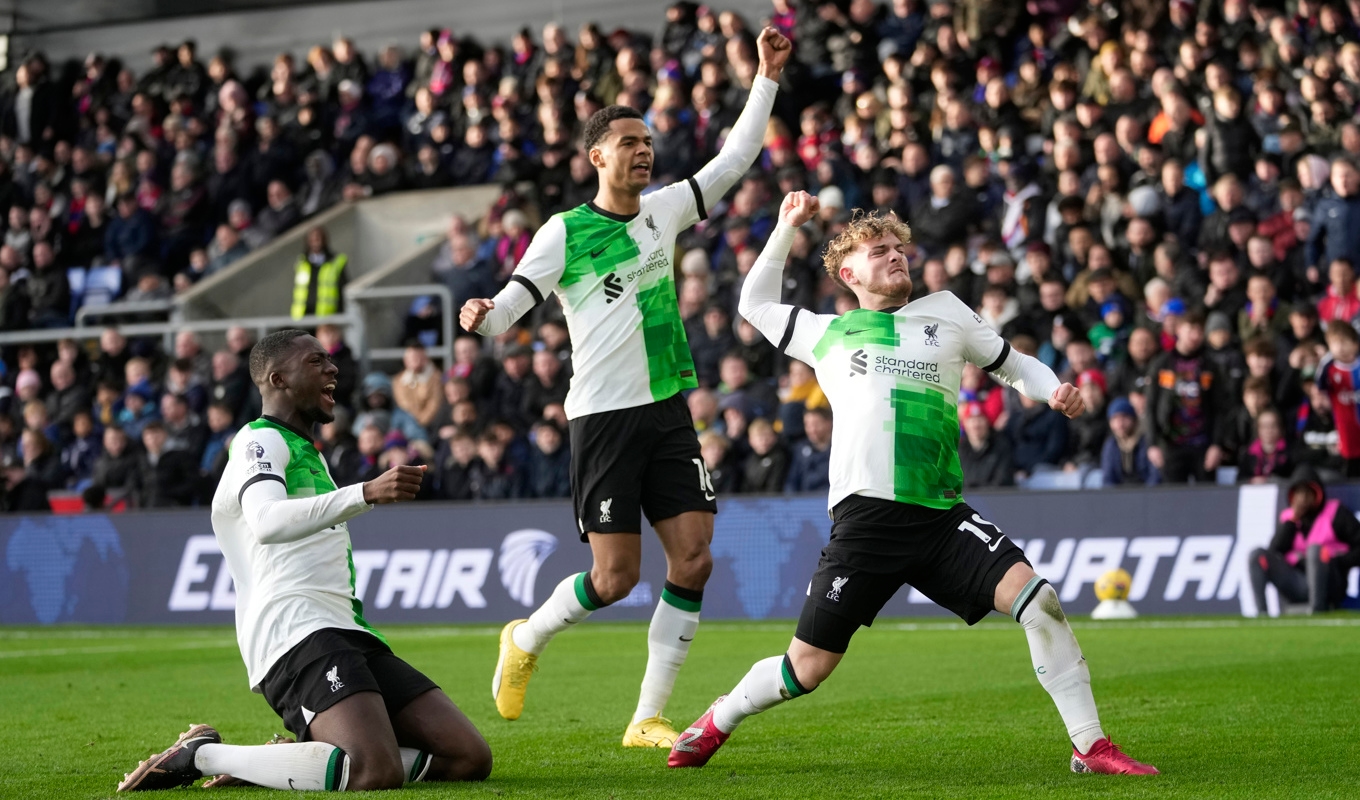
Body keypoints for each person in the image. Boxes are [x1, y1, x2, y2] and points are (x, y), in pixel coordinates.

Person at [669, 191, 1157, 775]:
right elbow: (753, 302)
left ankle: (1090, 745)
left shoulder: (947, 313)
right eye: (880, 252)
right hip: (866, 523)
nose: (897, 257)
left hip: (941, 515)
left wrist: (1052, 388)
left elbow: (1014, 362)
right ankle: (721, 717)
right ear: (849, 273)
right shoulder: (827, 332)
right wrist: (785, 225)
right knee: (806, 670)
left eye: (901, 249)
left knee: (1038, 599)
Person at [459, 27, 791, 747]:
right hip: (604, 419)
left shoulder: (664, 209)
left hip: (666, 407)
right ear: (596, 156)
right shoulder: (564, 232)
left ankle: (647, 716)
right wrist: (483, 318)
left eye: (648, 140)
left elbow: (736, 158)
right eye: (628, 141)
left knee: (695, 557)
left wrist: (763, 78)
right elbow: (511, 307)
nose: (644, 150)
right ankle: (526, 637)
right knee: (612, 578)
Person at [116, 329, 491, 791]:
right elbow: (268, 521)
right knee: (376, 771)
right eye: (316, 362)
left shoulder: (308, 452)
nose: (333, 369)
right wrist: (366, 492)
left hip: (348, 630)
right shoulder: (258, 441)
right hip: (295, 628)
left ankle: (291, 760)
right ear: (278, 379)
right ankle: (203, 755)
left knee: (468, 757)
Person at [1249, 468, 1360, 615]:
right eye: (1299, 493)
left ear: (1317, 494)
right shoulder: (1288, 518)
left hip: (1330, 583)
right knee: (1257, 555)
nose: (1303, 499)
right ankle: (1261, 615)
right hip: (1297, 582)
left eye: (1307, 493)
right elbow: (1275, 551)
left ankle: (1317, 608)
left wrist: (1337, 562)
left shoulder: (1336, 513)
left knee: (1315, 550)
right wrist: (1292, 522)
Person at [1314, 320, 1360, 477]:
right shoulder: (1328, 367)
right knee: (1351, 465)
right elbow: (1318, 389)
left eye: (1344, 342)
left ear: (1355, 344)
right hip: (1345, 427)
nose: (1340, 348)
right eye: (1335, 343)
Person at [291, 226, 348, 319]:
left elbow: (343, 288)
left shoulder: (336, 261)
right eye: (312, 240)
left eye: (318, 239)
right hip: (302, 317)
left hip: (327, 317)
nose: (315, 243)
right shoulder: (302, 262)